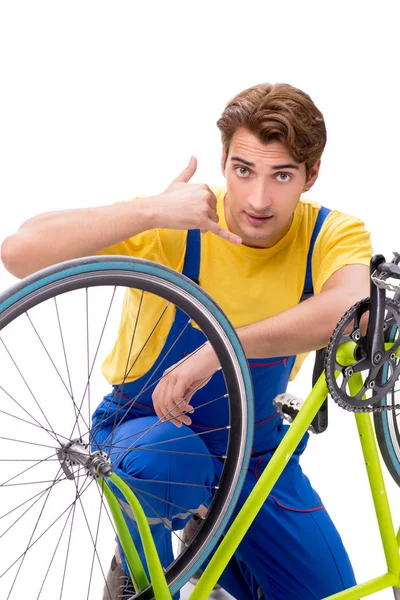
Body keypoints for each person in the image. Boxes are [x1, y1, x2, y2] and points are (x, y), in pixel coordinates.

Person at [1, 82, 372, 600]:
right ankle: (139, 567)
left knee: (328, 592)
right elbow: (20, 252)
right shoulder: (179, 223)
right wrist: (150, 210)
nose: (258, 199)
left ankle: (209, 553)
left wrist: (219, 350)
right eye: (244, 170)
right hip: (144, 429)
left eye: (281, 175)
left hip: (257, 457)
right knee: (166, 463)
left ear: (311, 175)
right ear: (223, 161)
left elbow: (351, 311)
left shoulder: (329, 234)